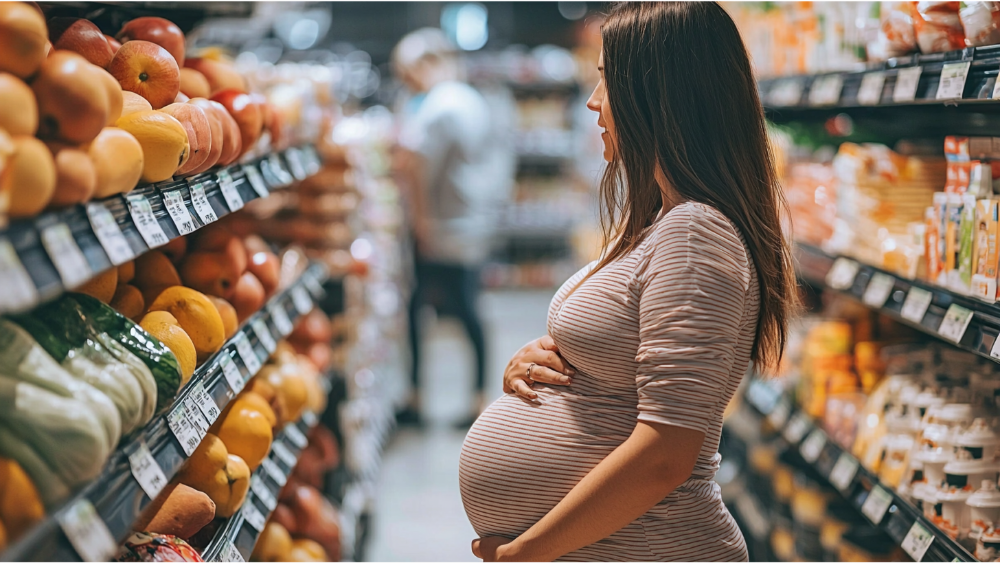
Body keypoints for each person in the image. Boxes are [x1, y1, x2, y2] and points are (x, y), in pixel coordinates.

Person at [459, 1, 796, 561]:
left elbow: (666, 452)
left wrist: (526, 553)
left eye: (606, 81)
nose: (594, 103)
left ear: (657, 96)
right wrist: (536, 363)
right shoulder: (666, 221)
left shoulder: (697, 233)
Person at [392, 28, 513, 427]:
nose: (406, 82)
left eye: (407, 72)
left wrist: (420, 222)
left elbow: (413, 163)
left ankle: (420, 397)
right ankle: (477, 396)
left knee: (435, 308)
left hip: (443, 224)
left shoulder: (439, 106)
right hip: (468, 219)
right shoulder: (470, 99)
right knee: (467, 308)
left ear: (426, 65)